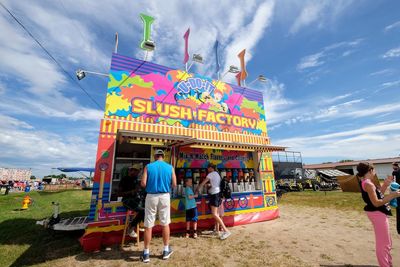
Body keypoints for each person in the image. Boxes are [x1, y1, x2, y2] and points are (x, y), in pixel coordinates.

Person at [356, 162, 400, 267]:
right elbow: (376, 203)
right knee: (383, 244)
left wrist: (385, 184)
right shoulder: (368, 184)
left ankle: (388, 263)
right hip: (377, 213)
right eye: (374, 170)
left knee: (387, 242)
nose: (375, 172)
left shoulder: (366, 182)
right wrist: (392, 195)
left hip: (377, 213)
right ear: (370, 170)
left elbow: (378, 194)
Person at [140, 149, 176, 263]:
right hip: (165, 196)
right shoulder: (170, 167)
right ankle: (166, 250)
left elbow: (143, 183)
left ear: (155, 156)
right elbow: (174, 184)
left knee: (148, 224)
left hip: (151, 196)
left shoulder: (148, 166)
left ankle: (146, 253)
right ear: (163, 157)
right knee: (165, 223)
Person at [196, 163, 231, 240]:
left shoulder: (211, 174)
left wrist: (198, 188)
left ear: (211, 168)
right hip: (217, 194)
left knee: (214, 214)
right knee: (217, 213)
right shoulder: (217, 174)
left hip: (215, 195)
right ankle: (217, 231)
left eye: (208, 168)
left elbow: (203, 182)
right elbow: (214, 185)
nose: (207, 169)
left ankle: (226, 231)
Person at [119, 165, 144, 238]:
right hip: (127, 201)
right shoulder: (124, 179)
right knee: (142, 211)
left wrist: (138, 189)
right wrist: (131, 192)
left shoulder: (135, 179)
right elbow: (119, 193)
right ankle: (131, 228)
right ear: (131, 171)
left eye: (138, 172)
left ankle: (139, 225)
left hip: (134, 200)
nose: (137, 173)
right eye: (136, 171)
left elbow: (136, 189)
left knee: (146, 208)